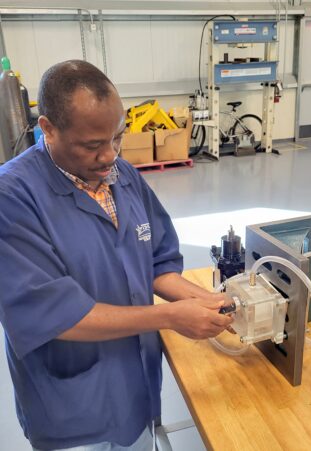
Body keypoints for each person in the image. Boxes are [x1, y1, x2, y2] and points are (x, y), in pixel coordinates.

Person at [0, 60, 233, 451]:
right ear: (49, 129)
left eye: (117, 138)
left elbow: (157, 260)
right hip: (73, 412)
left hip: (136, 390)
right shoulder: (13, 199)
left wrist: (205, 301)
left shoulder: (122, 176)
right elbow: (52, 314)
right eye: (92, 145)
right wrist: (171, 317)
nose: (109, 155)